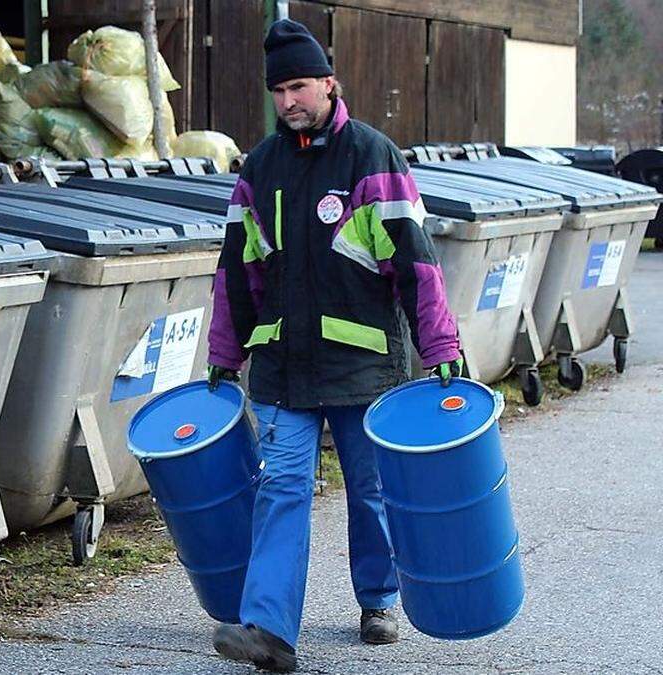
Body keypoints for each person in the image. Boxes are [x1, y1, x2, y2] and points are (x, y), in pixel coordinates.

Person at [205, 18, 463, 672]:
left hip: (363, 366)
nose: (289, 100)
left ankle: (378, 597)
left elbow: (416, 263)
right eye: (279, 90)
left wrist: (440, 344)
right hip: (284, 367)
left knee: (370, 489)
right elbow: (236, 270)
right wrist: (225, 351)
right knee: (281, 487)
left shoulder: (374, 157)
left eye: (299, 85)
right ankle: (267, 628)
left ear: (329, 83)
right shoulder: (258, 169)